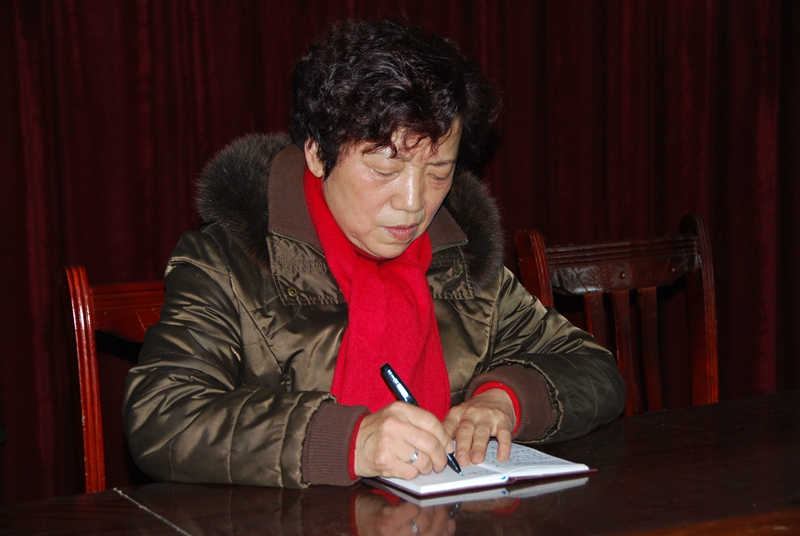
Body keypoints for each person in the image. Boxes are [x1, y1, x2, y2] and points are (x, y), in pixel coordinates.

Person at [123, 19, 625, 489]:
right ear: (317, 153)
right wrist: (349, 440)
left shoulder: (460, 262)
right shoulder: (228, 262)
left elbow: (594, 369)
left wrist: (506, 399)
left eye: (438, 172)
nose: (413, 202)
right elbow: (163, 415)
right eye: (385, 170)